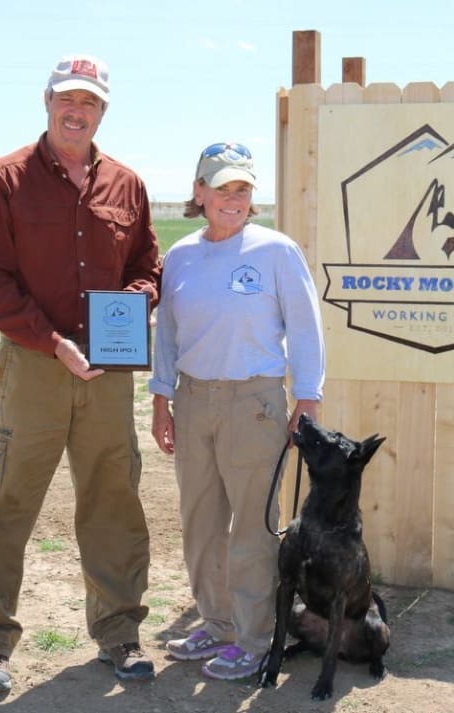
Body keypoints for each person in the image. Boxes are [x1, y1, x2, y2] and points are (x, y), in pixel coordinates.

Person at [0, 54, 162, 696]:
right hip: (33, 367)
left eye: (91, 102)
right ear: (47, 102)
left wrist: (128, 316)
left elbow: (147, 268)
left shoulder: (126, 185)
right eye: (67, 100)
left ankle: (119, 634)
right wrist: (53, 343)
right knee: (9, 503)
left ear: (103, 110)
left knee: (113, 501)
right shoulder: (6, 178)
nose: (77, 112)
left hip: (107, 373)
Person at [149, 143, 325, 680]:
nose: (233, 199)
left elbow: (305, 326)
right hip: (194, 400)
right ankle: (216, 622)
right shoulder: (180, 256)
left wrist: (307, 398)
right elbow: (169, 336)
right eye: (221, 188)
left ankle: (253, 638)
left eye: (243, 189)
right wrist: (162, 398)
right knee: (200, 522)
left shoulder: (276, 251)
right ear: (198, 192)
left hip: (256, 403)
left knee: (252, 526)